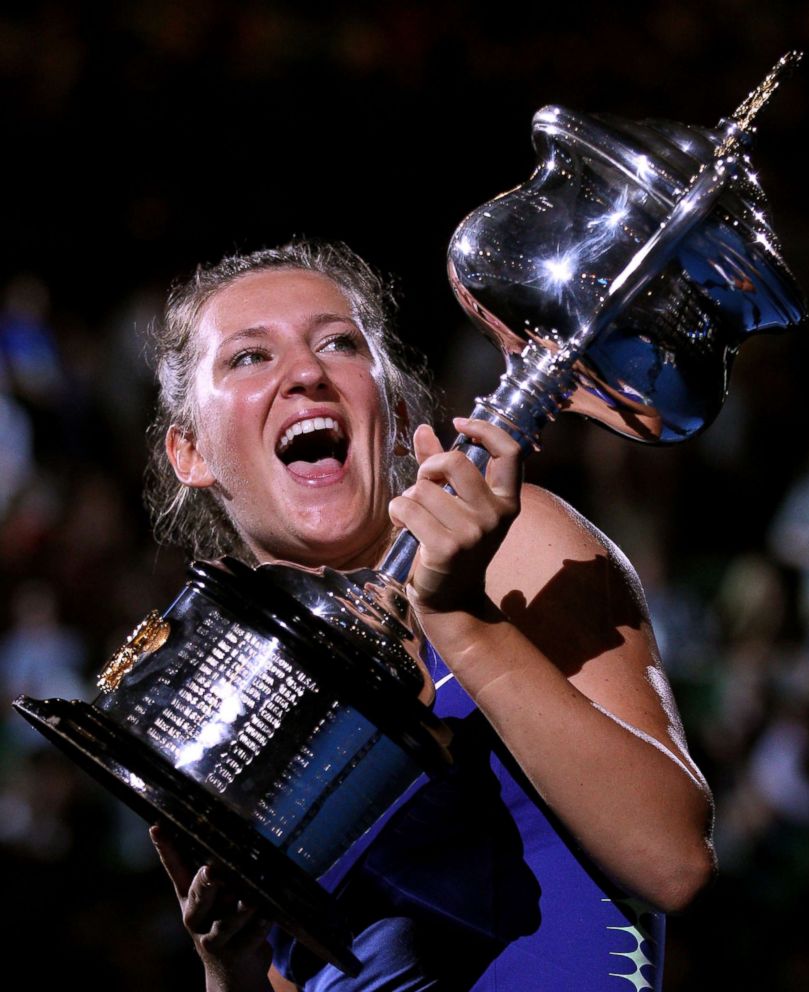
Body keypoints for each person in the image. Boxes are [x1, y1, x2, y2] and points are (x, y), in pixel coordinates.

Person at [144, 240, 715, 992]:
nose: (307, 373)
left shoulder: (516, 550)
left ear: (397, 407)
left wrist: (461, 621)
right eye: (249, 357)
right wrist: (232, 969)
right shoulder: (235, 694)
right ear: (190, 452)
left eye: (338, 344)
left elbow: (671, 862)